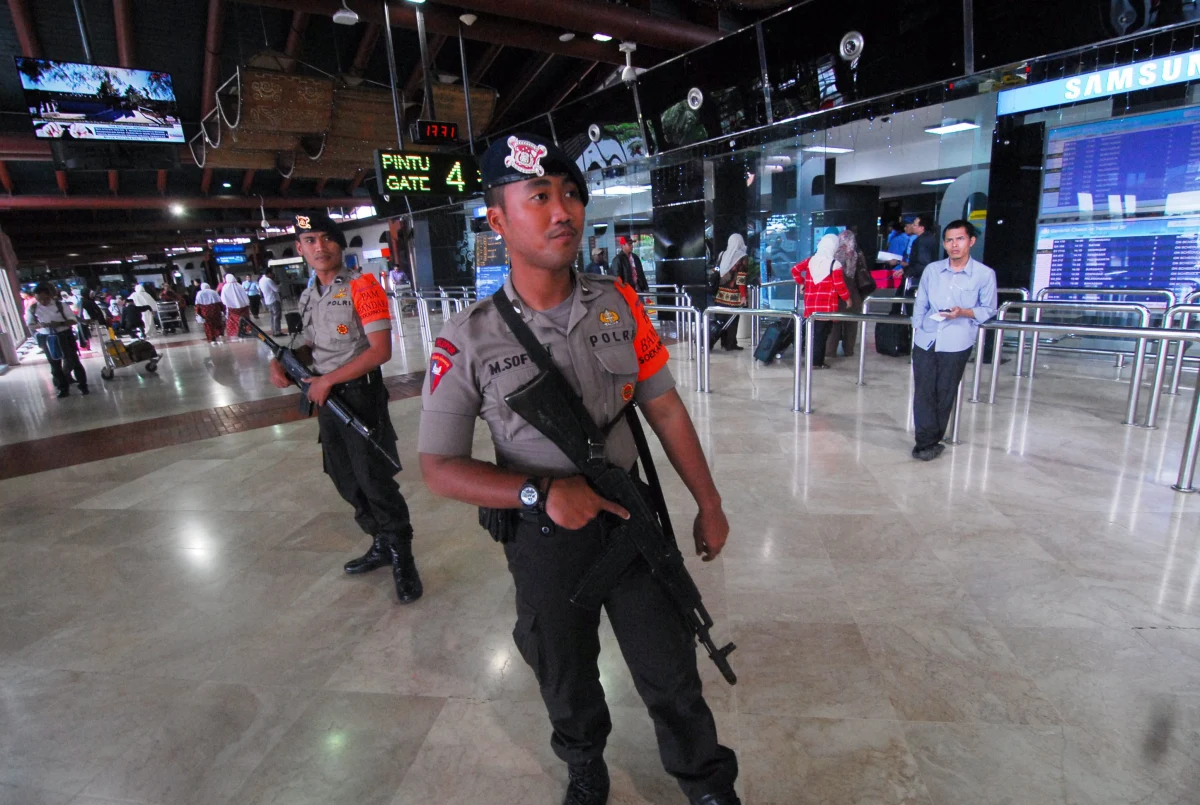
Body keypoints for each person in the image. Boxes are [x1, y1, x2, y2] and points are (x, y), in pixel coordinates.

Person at [418, 133, 740, 805]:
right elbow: (438, 466)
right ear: (498, 219)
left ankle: (708, 784)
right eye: (540, 196)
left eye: (571, 194)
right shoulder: (467, 337)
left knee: (671, 669)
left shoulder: (618, 302)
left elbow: (666, 409)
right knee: (563, 671)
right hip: (544, 540)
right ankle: (585, 763)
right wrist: (536, 491)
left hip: (630, 519)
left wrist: (707, 502)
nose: (562, 210)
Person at [268, 211, 422, 604]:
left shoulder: (363, 285)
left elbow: (381, 351)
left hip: (360, 396)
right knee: (342, 475)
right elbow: (309, 341)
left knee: (374, 479)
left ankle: (402, 555)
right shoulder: (308, 294)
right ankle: (380, 541)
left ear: (338, 243)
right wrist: (283, 360)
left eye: (327, 238)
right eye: (310, 241)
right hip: (327, 398)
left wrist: (327, 380)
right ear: (300, 249)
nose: (319, 247)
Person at [911, 220, 997, 461]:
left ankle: (932, 438)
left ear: (971, 241)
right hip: (927, 339)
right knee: (924, 391)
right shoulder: (932, 270)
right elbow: (921, 303)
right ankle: (925, 441)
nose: (954, 245)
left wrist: (965, 312)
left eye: (959, 239)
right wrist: (918, 327)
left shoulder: (984, 274)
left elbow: (988, 308)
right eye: (949, 240)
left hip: (957, 341)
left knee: (944, 391)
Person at [792, 233, 851, 369]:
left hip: (811, 305)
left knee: (813, 333)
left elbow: (795, 270)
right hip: (827, 306)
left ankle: (811, 360)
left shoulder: (810, 260)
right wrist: (847, 299)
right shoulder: (834, 264)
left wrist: (801, 283)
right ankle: (817, 362)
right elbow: (839, 285)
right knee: (822, 335)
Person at [25, 282, 88, 398]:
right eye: (39, 300)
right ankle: (63, 388)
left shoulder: (61, 305)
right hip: (47, 338)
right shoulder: (33, 309)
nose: (42, 302)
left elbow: (72, 320)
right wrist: (40, 325)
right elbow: (30, 324)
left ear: (49, 295)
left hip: (64, 335)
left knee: (74, 361)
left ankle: (83, 385)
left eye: (45, 299)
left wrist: (59, 323)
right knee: (55, 364)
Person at [826, 229, 872, 358]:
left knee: (835, 322)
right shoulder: (857, 253)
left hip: (837, 291)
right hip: (854, 291)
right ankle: (848, 350)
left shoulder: (835, 254)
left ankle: (830, 350)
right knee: (851, 323)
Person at [712, 233, 749, 351]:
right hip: (733, 296)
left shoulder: (722, 254)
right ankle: (730, 344)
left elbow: (715, 270)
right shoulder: (742, 257)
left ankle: (723, 343)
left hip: (720, 294)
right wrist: (743, 296)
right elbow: (741, 279)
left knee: (722, 320)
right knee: (733, 320)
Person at [219, 273, 251, 340]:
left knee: (235, 322)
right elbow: (245, 296)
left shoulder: (225, 287)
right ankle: (244, 332)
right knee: (244, 321)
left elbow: (223, 299)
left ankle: (238, 334)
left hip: (232, 309)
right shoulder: (239, 286)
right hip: (243, 307)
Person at [258, 269, 283, 336]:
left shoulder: (261, 280)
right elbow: (276, 289)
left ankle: (274, 330)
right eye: (271, 273)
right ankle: (277, 332)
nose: (272, 275)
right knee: (277, 316)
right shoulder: (268, 280)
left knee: (272, 316)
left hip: (268, 301)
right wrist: (279, 285)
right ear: (269, 273)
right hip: (274, 300)